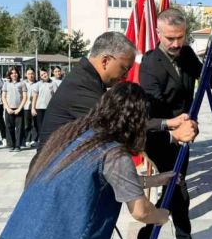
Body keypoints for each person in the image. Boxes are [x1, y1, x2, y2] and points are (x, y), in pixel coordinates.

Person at [0, 82, 176, 239]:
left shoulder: (74, 135)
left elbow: (109, 182)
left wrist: (157, 180)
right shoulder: (114, 153)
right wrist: (161, 216)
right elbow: (141, 212)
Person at [131, 8, 212, 239]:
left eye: (180, 37)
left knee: (172, 194)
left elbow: (211, 83)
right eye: (170, 38)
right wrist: (176, 125)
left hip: (184, 136)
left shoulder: (186, 54)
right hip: (160, 135)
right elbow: (152, 105)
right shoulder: (150, 62)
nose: (175, 43)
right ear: (159, 33)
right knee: (179, 192)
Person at [36, 31, 197, 154]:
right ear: (105, 60)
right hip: (53, 177)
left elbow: (121, 119)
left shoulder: (87, 78)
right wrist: (174, 136)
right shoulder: (82, 87)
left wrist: (166, 123)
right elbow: (121, 131)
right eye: (124, 68)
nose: (126, 76)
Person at [3, 66, 27, 152]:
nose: (14, 74)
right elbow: (3, 97)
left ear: (18, 74)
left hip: (19, 109)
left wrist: (19, 108)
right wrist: (7, 108)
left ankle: (18, 145)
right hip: (9, 109)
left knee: (19, 128)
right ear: (9, 74)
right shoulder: (6, 84)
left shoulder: (22, 83)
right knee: (9, 127)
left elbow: (24, 97)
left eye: (15, 73)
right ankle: (11, 145)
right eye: (12, 73)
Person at [31, 68, 56, 138]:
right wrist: (33, 108)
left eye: (44, 73)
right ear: (40, 77)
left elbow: (56, 97)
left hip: (49, 109)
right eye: (42, 75)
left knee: (48, 126)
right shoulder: (38, 84)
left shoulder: (53, 84)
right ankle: (41, 141)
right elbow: (34, 97)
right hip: (39, 108)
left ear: (47, 72)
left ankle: (48, 141)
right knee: (40, 126)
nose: (44, 75)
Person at [22, 68, 38, 148]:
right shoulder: (23, 83)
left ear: (34, 74)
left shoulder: (38, 83)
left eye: (32, 73)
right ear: (26, 75)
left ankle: (34, 140)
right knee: (26, 124)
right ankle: (27, 139)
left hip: (35, 107)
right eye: (29, 74)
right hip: (26, 106)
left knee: (34, 124)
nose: (30, 75)